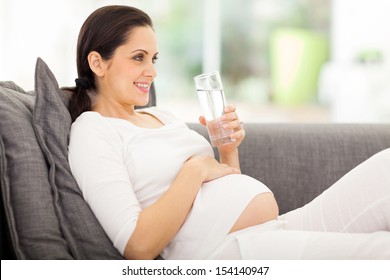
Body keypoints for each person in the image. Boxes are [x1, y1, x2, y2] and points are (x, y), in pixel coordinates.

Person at [67, 5, 390, 260]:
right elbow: (137, 247)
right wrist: (193, 170)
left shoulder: (159, 115)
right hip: (226, 254)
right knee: (380, 252)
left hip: (273, 229)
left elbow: (224, 189)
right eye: (138, 58)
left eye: (153, 58)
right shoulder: (92, 132)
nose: (151, 71)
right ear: (98, 62)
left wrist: (226, 149)